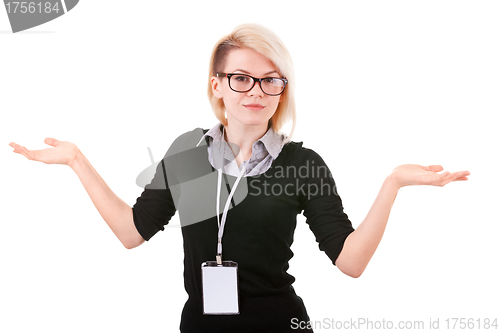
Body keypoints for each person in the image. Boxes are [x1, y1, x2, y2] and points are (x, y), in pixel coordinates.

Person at [9, 23, 470, 333]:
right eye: (241, 78)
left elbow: (350, 263)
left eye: (271, 79)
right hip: (200, 325)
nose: (256, 91)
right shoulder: (188, 152)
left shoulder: (302, 164)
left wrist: (392, 184)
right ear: (217, 84)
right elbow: (133, 232)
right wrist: (76, 162)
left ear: (282, 90)